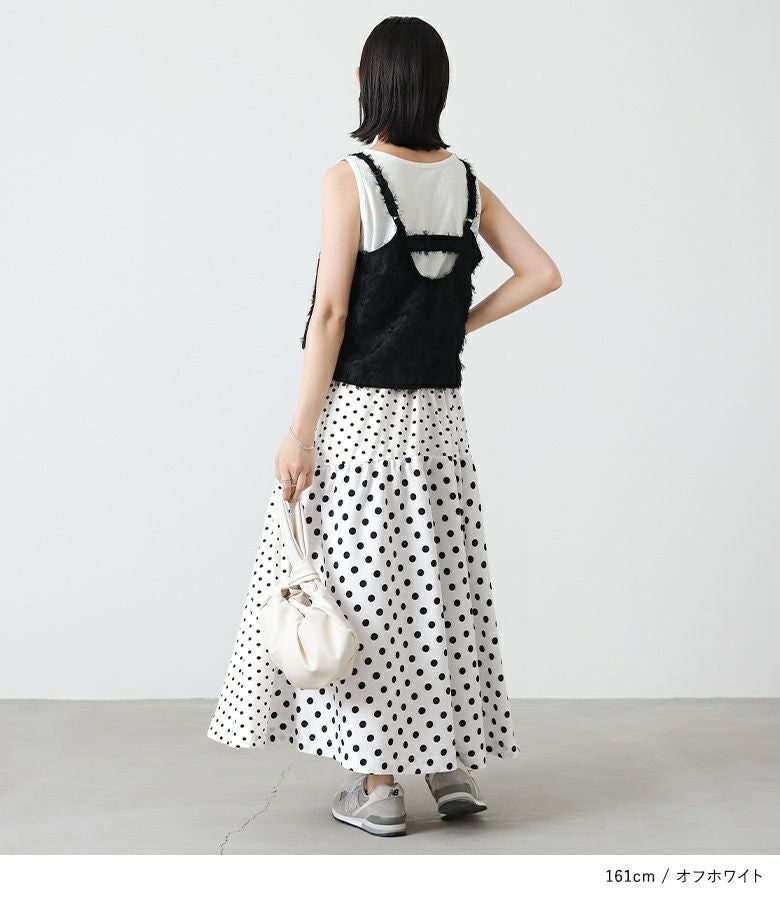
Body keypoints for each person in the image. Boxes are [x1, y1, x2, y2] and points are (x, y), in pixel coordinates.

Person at [208, 15, 562, 838]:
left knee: (363, 597)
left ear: (372, 82)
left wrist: (299, 431)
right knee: (439, 589)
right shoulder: (467, 182)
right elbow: (542, 272)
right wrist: (452, 326)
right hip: (439, 423)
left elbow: (331, 314)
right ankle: (449, 769)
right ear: (436, 86)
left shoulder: (351, 178)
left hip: (360, 421)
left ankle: (377, 787)